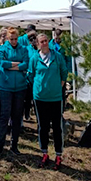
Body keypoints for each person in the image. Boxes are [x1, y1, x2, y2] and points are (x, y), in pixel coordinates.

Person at [28, 33, 70, 169]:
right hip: (40, 98)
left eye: (46, 41)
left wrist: (59, 85)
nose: (44, 43)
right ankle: (44, 153)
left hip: (56, 97)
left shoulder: (57, 57)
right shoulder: (34, 58)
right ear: (37, 44)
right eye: (41, 42)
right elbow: (30, 75)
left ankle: (58, 155)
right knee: (42, 127)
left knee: (57, 127)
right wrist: (38, 87)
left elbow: (64, 72)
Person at [0, 27, 29, 155]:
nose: (13, 41)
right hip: (5, 87)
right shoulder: (2, 49)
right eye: (11, 39)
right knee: (4, 115)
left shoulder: (23, 49)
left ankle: (14, 145)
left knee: (17, 116)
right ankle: (0, 145)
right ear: (7, 38)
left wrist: (11, 65)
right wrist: (17, 65)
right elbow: (2, 63)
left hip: (20, 87)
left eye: (15, 39)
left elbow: (26, 64)